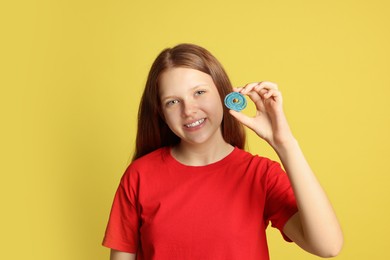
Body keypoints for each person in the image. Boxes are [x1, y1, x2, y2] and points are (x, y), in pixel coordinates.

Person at [102, 43, 343, 260]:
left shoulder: (260, 174)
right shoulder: (140, 176)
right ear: (161, 114)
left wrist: (285, 143)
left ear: (224, 94)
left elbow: (328, 246)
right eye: (172, 102)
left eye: (199, 92)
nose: (189, 110)